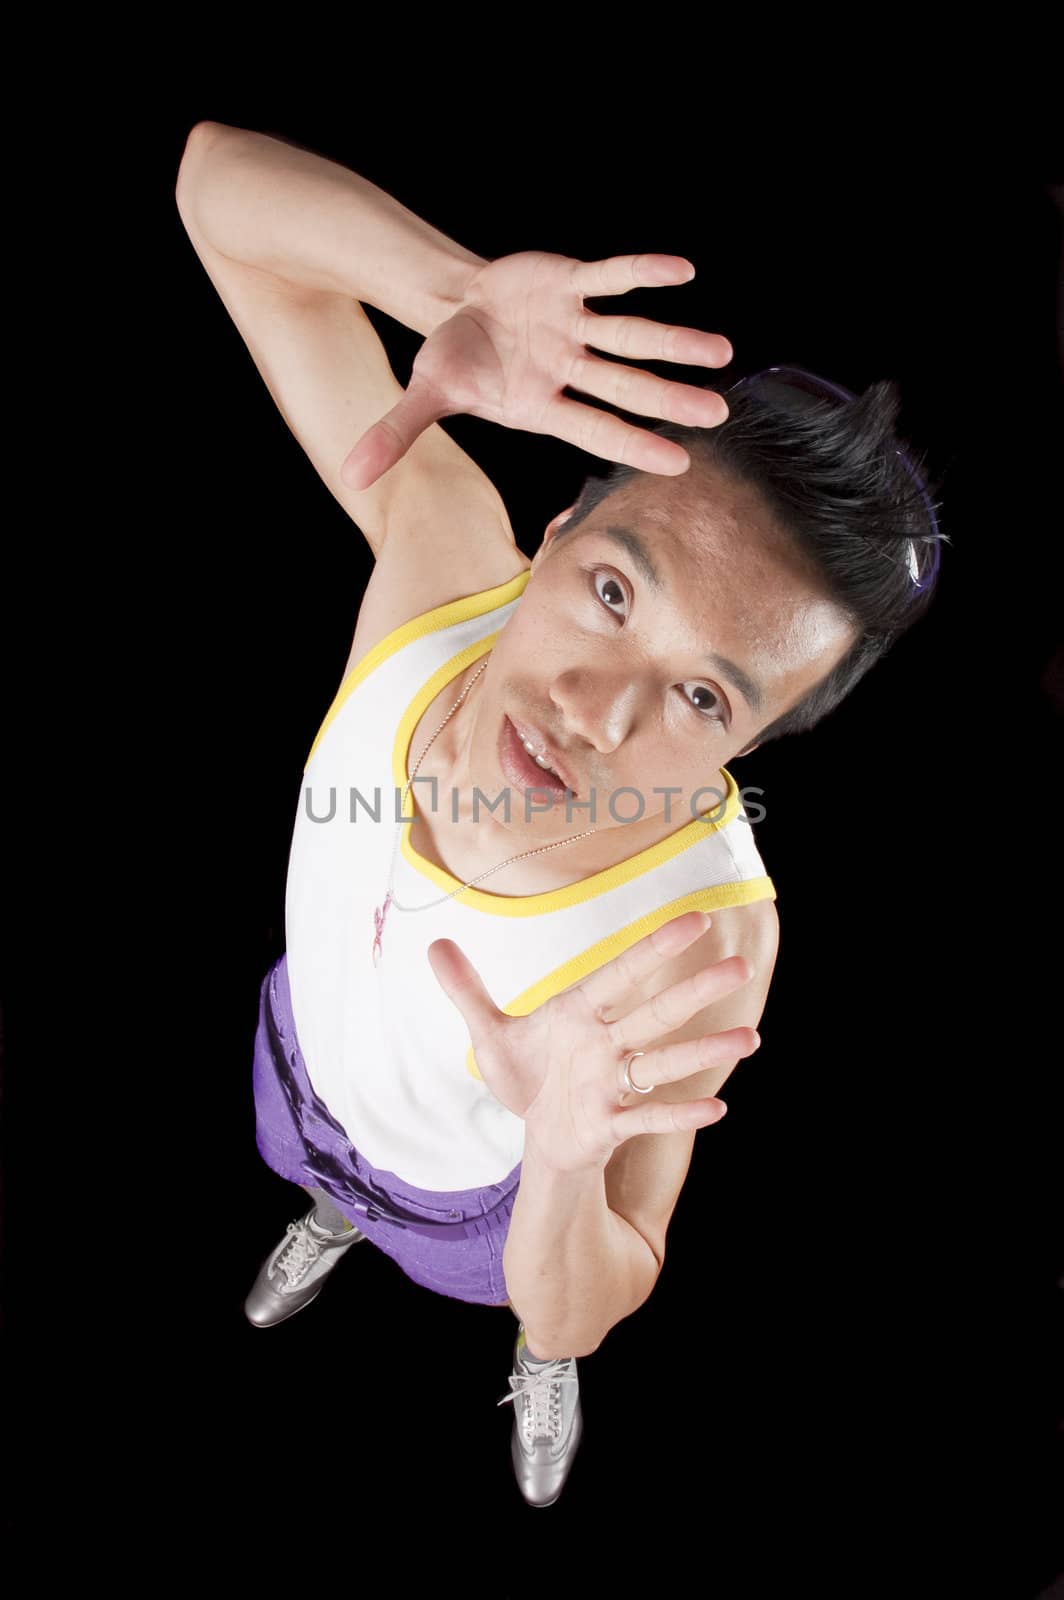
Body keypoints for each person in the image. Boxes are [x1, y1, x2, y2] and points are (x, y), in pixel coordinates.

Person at [174, 121, 945, 1510]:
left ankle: (526, 1380)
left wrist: (568, 1168)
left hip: (496, 1219)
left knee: (548, 1322)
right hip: (307, 1064)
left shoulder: (699, 940)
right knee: (318, 1167)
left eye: (703, 700)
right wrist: (446, 286)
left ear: (748, 752)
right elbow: (212, 193)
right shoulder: (435, 567)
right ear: (550, 538)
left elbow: (603, 1288)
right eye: (613, 592)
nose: (597, 711)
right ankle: (332, 1214)